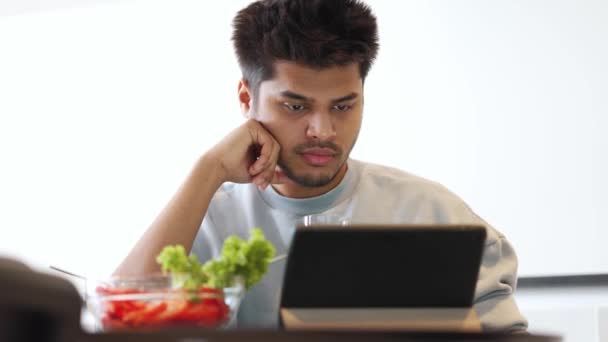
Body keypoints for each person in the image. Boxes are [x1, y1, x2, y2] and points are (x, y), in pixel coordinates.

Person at [115, 0, 528, 332]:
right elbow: (119, 321)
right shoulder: (203, 218)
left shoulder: (433, 213)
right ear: (247, 98)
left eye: (344, 106)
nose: (323, 131)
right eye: (296, 105)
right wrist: (207, 169)